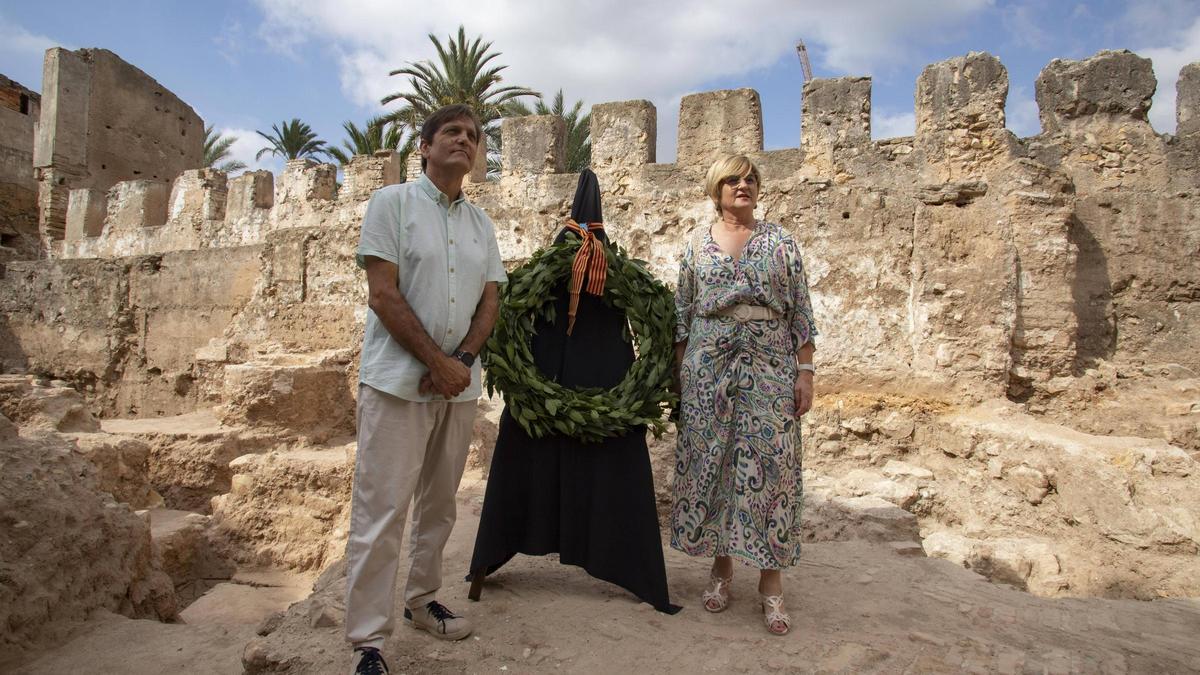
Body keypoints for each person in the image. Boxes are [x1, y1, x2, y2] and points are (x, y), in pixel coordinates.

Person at [466, 169, 680, 615]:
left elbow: (657, 326)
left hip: (602, 393)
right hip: (543, 388)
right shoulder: (558, 278)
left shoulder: (610, 277)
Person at [344, 104, 506, 674]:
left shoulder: (481, 225)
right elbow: (383, 294)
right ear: (425, 146)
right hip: (396, 386)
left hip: (457, 389)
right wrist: (436, 361)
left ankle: (421, 602)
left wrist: (459, 362)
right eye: (452, 133)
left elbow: (490, 299)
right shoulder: (392, 204)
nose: (464, 141)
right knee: (381, 511)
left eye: (473, 136)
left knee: (437, 508)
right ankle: (367, 640)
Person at [671, 154, 817, 636]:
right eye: (733, 179)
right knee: (716, 464)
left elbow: (801, 312)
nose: (744, 185)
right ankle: (721, 569)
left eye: (751, 179)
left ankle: (771, 584)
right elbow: (682, 314)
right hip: (708, 362)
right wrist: (681, 376)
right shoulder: (695, 244)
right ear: (716, 189)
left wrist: (806, 372)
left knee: (773, 469)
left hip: (771, 364)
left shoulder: (782, 243)